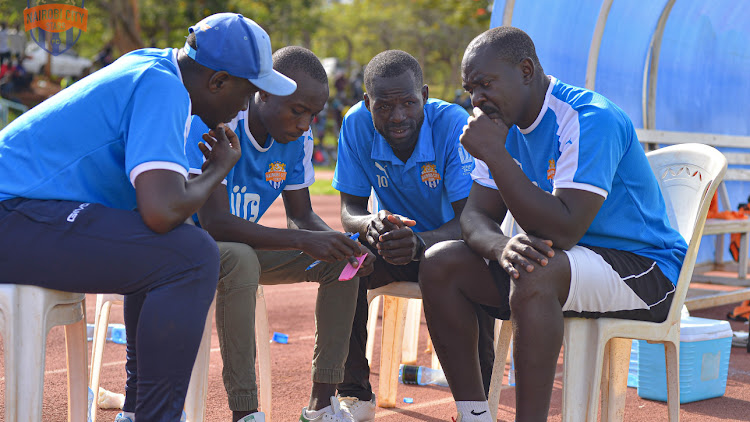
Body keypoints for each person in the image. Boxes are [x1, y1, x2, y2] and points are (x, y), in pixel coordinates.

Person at [0, 12, 297, 422]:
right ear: (218, 81)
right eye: (246, 94)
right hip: (11, 212)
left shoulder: (154, 67)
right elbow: (162, 212)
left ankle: (138, 410)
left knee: (165, 250)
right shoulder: (164, 88)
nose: (244, 107)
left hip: (23, 213)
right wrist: (216, 170)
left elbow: (156, 215)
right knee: (191, 256)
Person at [419, 26, 688, 422]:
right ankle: (475, 414)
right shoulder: (498, 126)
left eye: (486, 84)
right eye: (469, 89)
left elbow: (564, 230)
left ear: (526, 70)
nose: (476, 99)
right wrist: (500, 246)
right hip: (567, 263)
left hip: (644, 269)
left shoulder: (588, 117)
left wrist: (497, 155)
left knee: (535, 271)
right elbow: (474, 218)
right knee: (440, 262)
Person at [185, 45, 375, 422]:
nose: (306, 124)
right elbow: (216, 224)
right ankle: (245, 411)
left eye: (314, 115)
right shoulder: (218, 121)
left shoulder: (297, 142)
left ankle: (322, 405)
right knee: (238, 258)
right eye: (297, 111)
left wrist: (341, 244)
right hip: (191, 249)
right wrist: (304, 240)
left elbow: (302, 216)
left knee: (342, 264)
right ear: (263, 94)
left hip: (245, 250)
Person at [332, 50, 496, 422]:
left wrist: (421, 244)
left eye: (408, 102)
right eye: (384, 106)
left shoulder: (453, 124)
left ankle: (475, 407)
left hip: (454, 249)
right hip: (392, 246)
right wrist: (369, 223)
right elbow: (349, 210)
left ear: (424, 95)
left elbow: (471, 222)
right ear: (366, 103)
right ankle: (354, 396)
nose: (398, 116)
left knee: (470, 265)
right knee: (343, 265)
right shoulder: (355, 124)